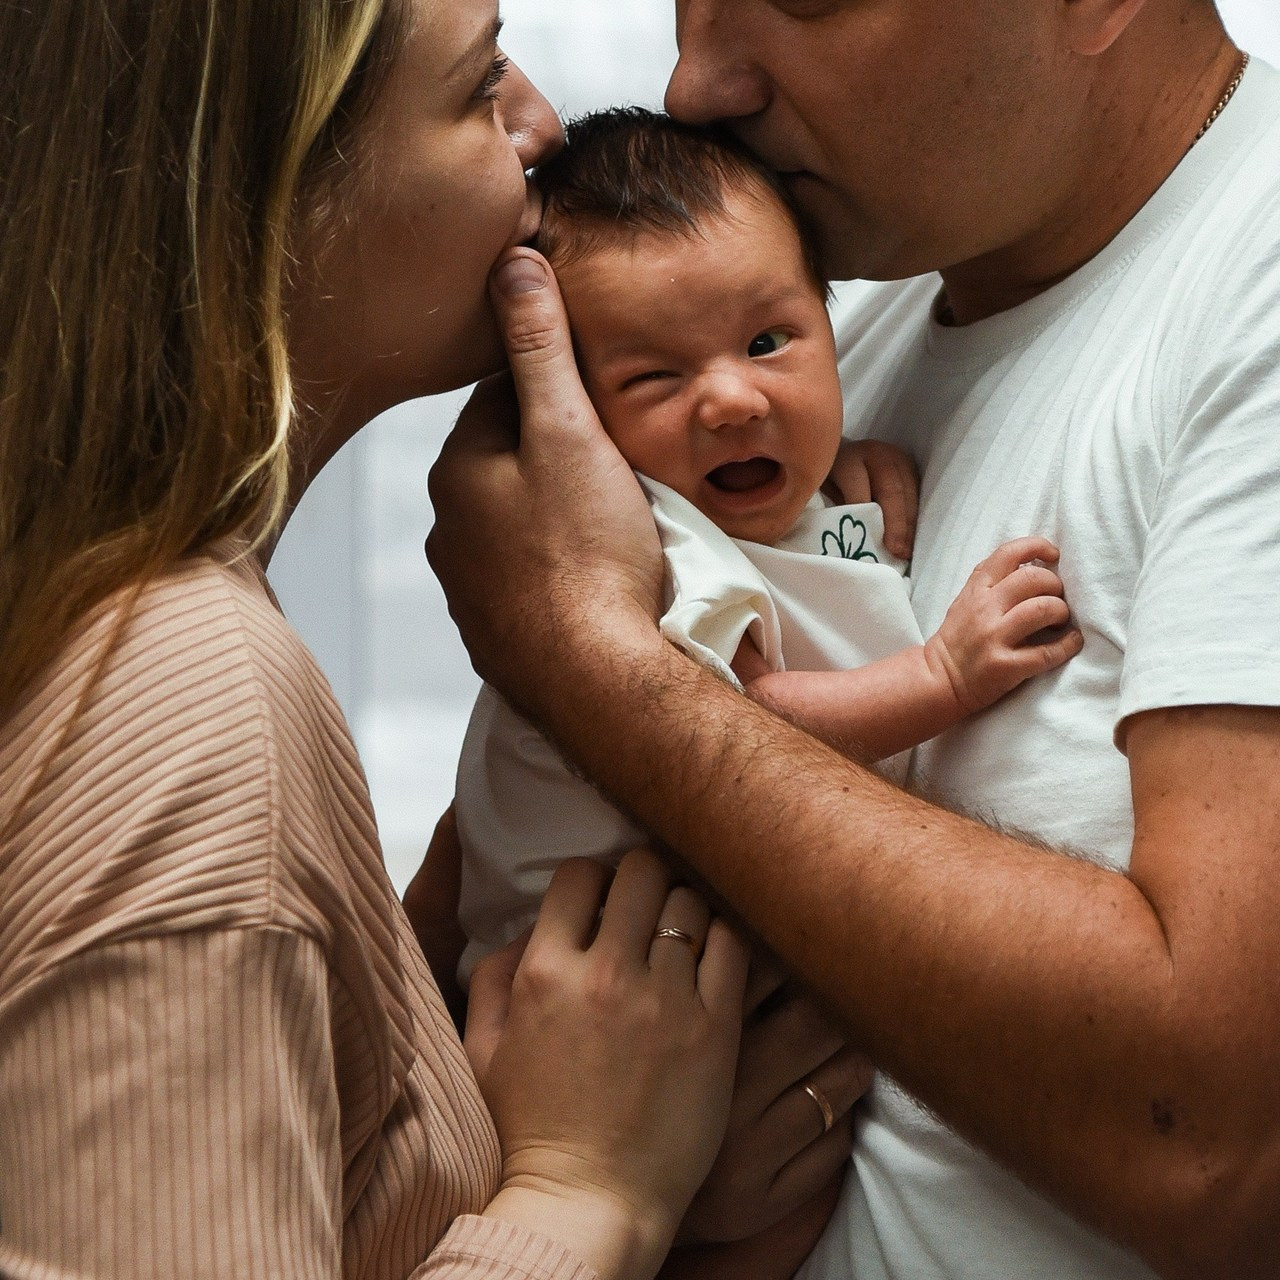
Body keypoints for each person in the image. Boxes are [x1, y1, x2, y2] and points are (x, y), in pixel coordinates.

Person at [0, 2, 867, 1277]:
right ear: (273, 179)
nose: (541, 123)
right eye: (477, 88)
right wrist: (587, 1189)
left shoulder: (118, 619)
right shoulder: (182, 687)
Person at [424, 0, 1280, 1276]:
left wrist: (578, 649)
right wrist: (625, 1171)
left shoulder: (1243, 292)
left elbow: (1211, 1148)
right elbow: (487, 914)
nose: (695, 83)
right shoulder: (823, 349)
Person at [454, 107, 1081, 984]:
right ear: (567, 409)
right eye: (654, 378)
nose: (731, 402)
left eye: (766, 343)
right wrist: (943, 675)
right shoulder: (650, 542)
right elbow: (760, 721)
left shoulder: (779, 490)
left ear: (831, 326)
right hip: (586, 975)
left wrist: (834, 471)